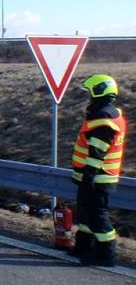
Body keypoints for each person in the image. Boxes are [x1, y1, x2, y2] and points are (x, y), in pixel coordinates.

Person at [70, 74, 127, 267]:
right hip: (94, 177)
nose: (88, 97)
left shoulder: (103, 119)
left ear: (99, 92)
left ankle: (106, 255)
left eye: (90, 93)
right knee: (86, 214)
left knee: (98, 216)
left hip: (97, 178)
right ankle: (84, 247)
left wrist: (88, 177)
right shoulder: (108, 114)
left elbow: (97, 152)